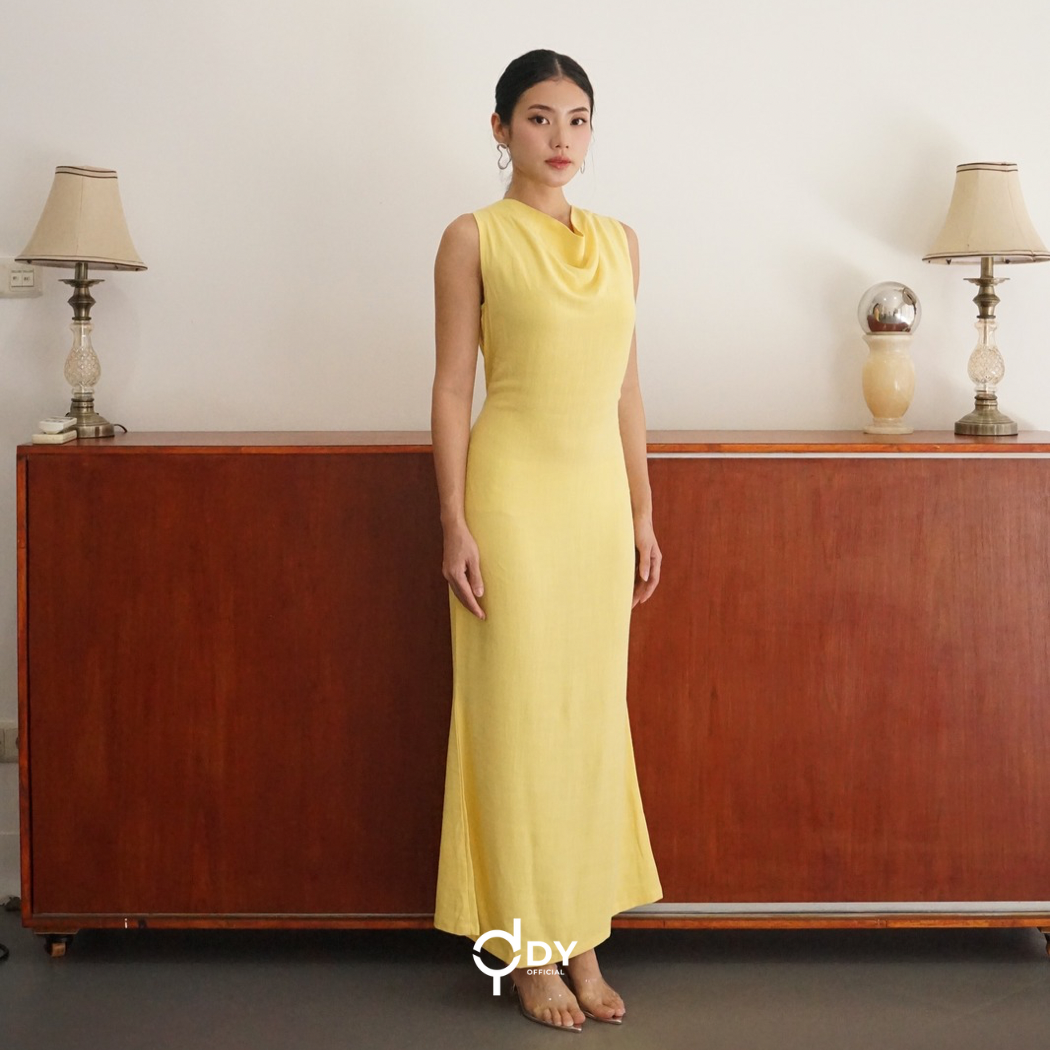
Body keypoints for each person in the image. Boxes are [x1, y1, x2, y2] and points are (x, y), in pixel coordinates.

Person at [430, 48, 663, 1032]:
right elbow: (452, 385)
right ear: (500, 129)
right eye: (537, 117)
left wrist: (643, 511)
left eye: (577, 119)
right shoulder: (472, 237)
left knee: (588, 719)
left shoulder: (621, 242)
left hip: (597, 509)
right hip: (512, 501)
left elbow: (627, 388)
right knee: (518, 717)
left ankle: (583, 936)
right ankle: (527, 949)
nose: (560, 137)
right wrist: (454, 519)